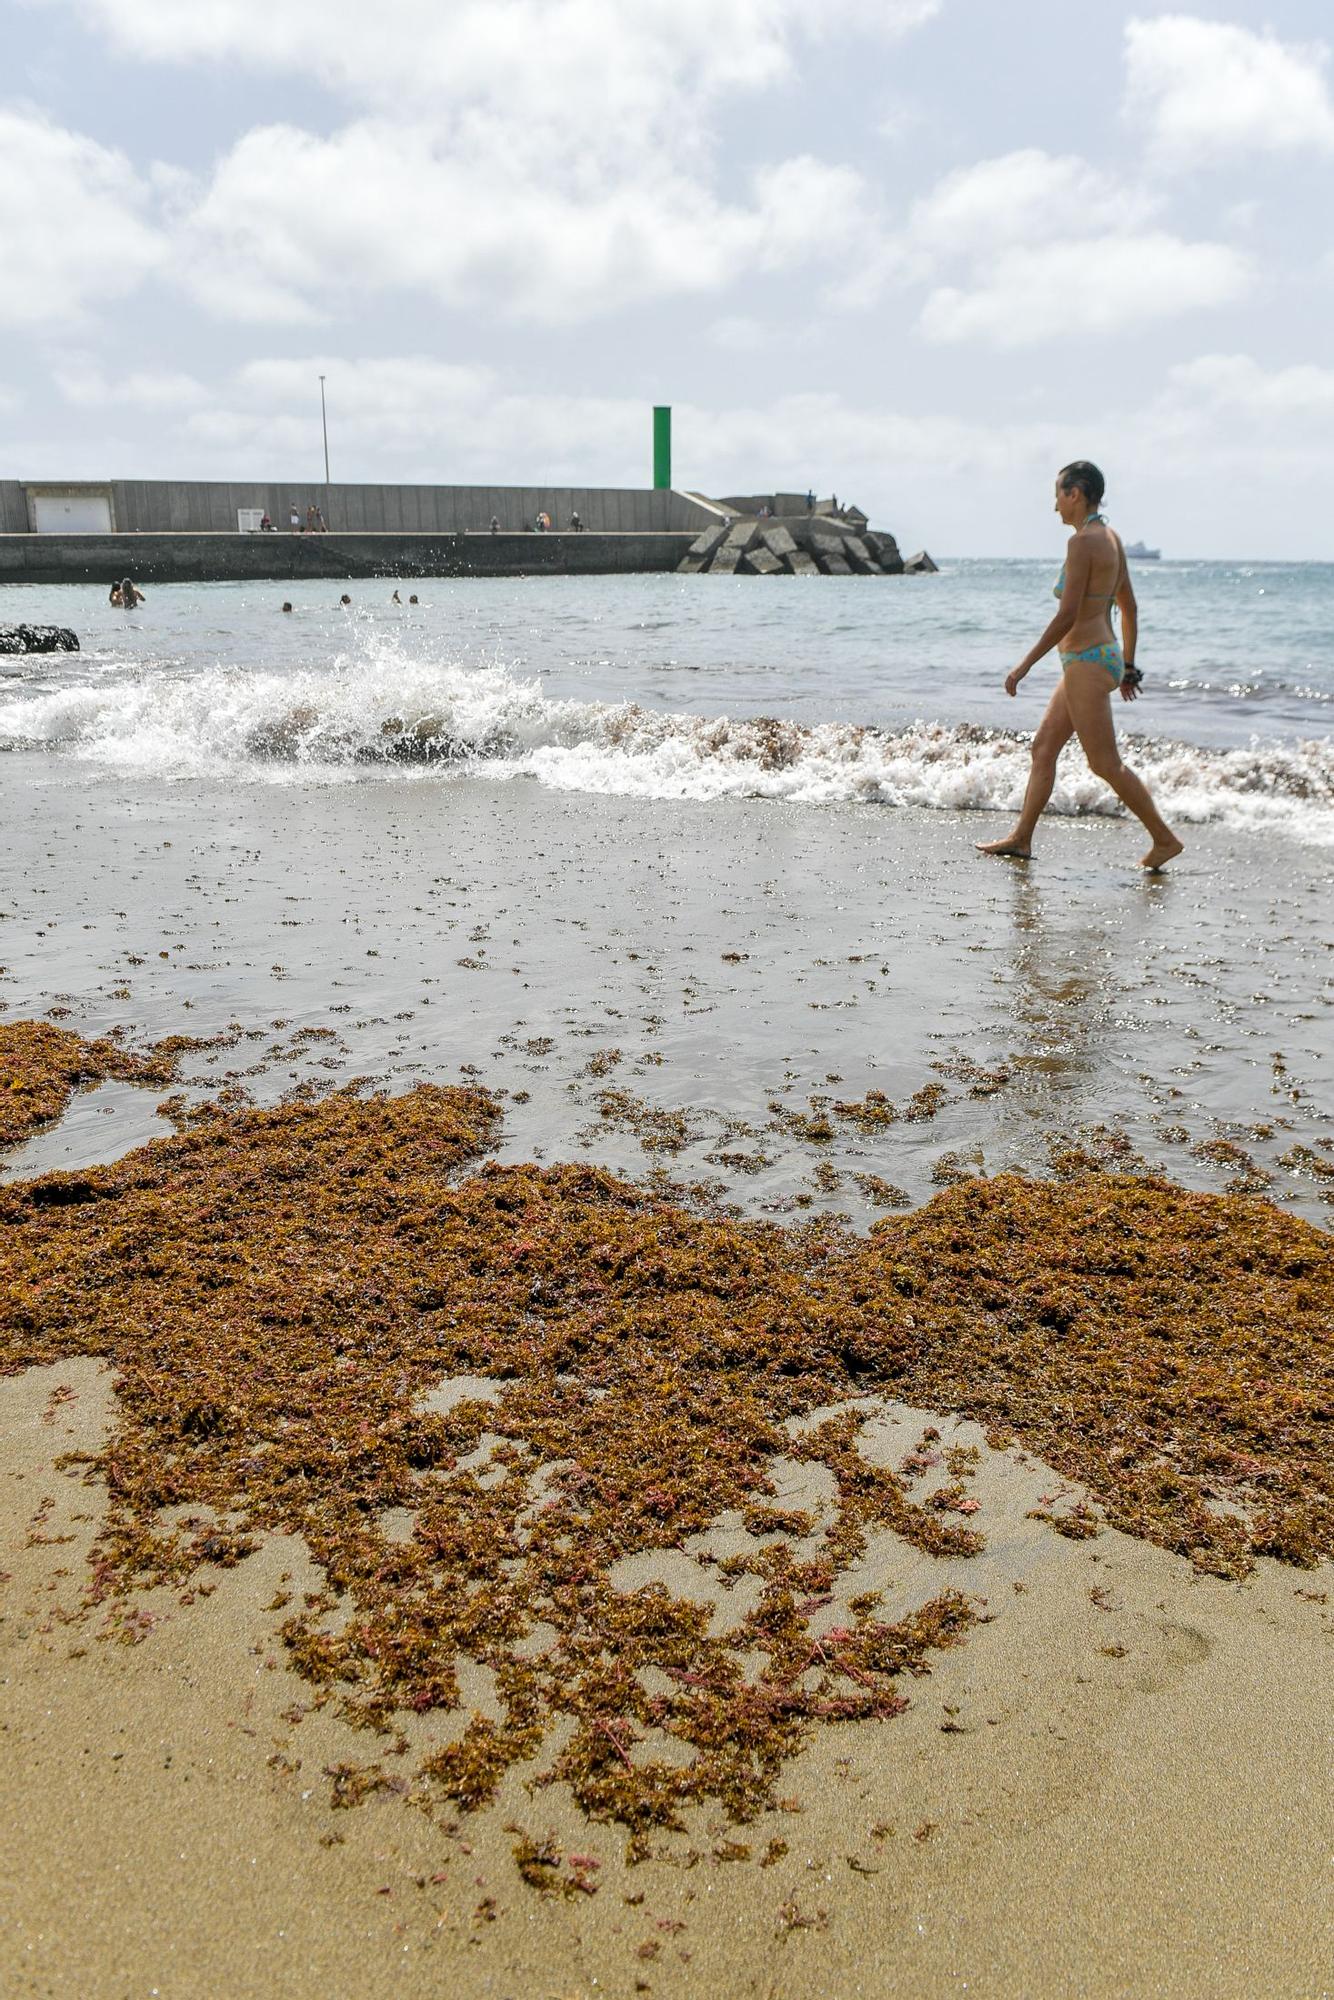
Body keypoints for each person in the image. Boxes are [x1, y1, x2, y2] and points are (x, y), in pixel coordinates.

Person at [977, 461, 1182, 871]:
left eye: (1058, 495)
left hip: (1087, 660)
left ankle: (1164, 839)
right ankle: (1021, 838)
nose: (1055, 506)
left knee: (1104, 763)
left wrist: (1024, 666)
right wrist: (1126, 666)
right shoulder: (1112, 538)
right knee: (1044, 748)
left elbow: (1067, 615)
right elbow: (1130, 608)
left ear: (1077, 493)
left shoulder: (1083, 543)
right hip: (1095, 658)